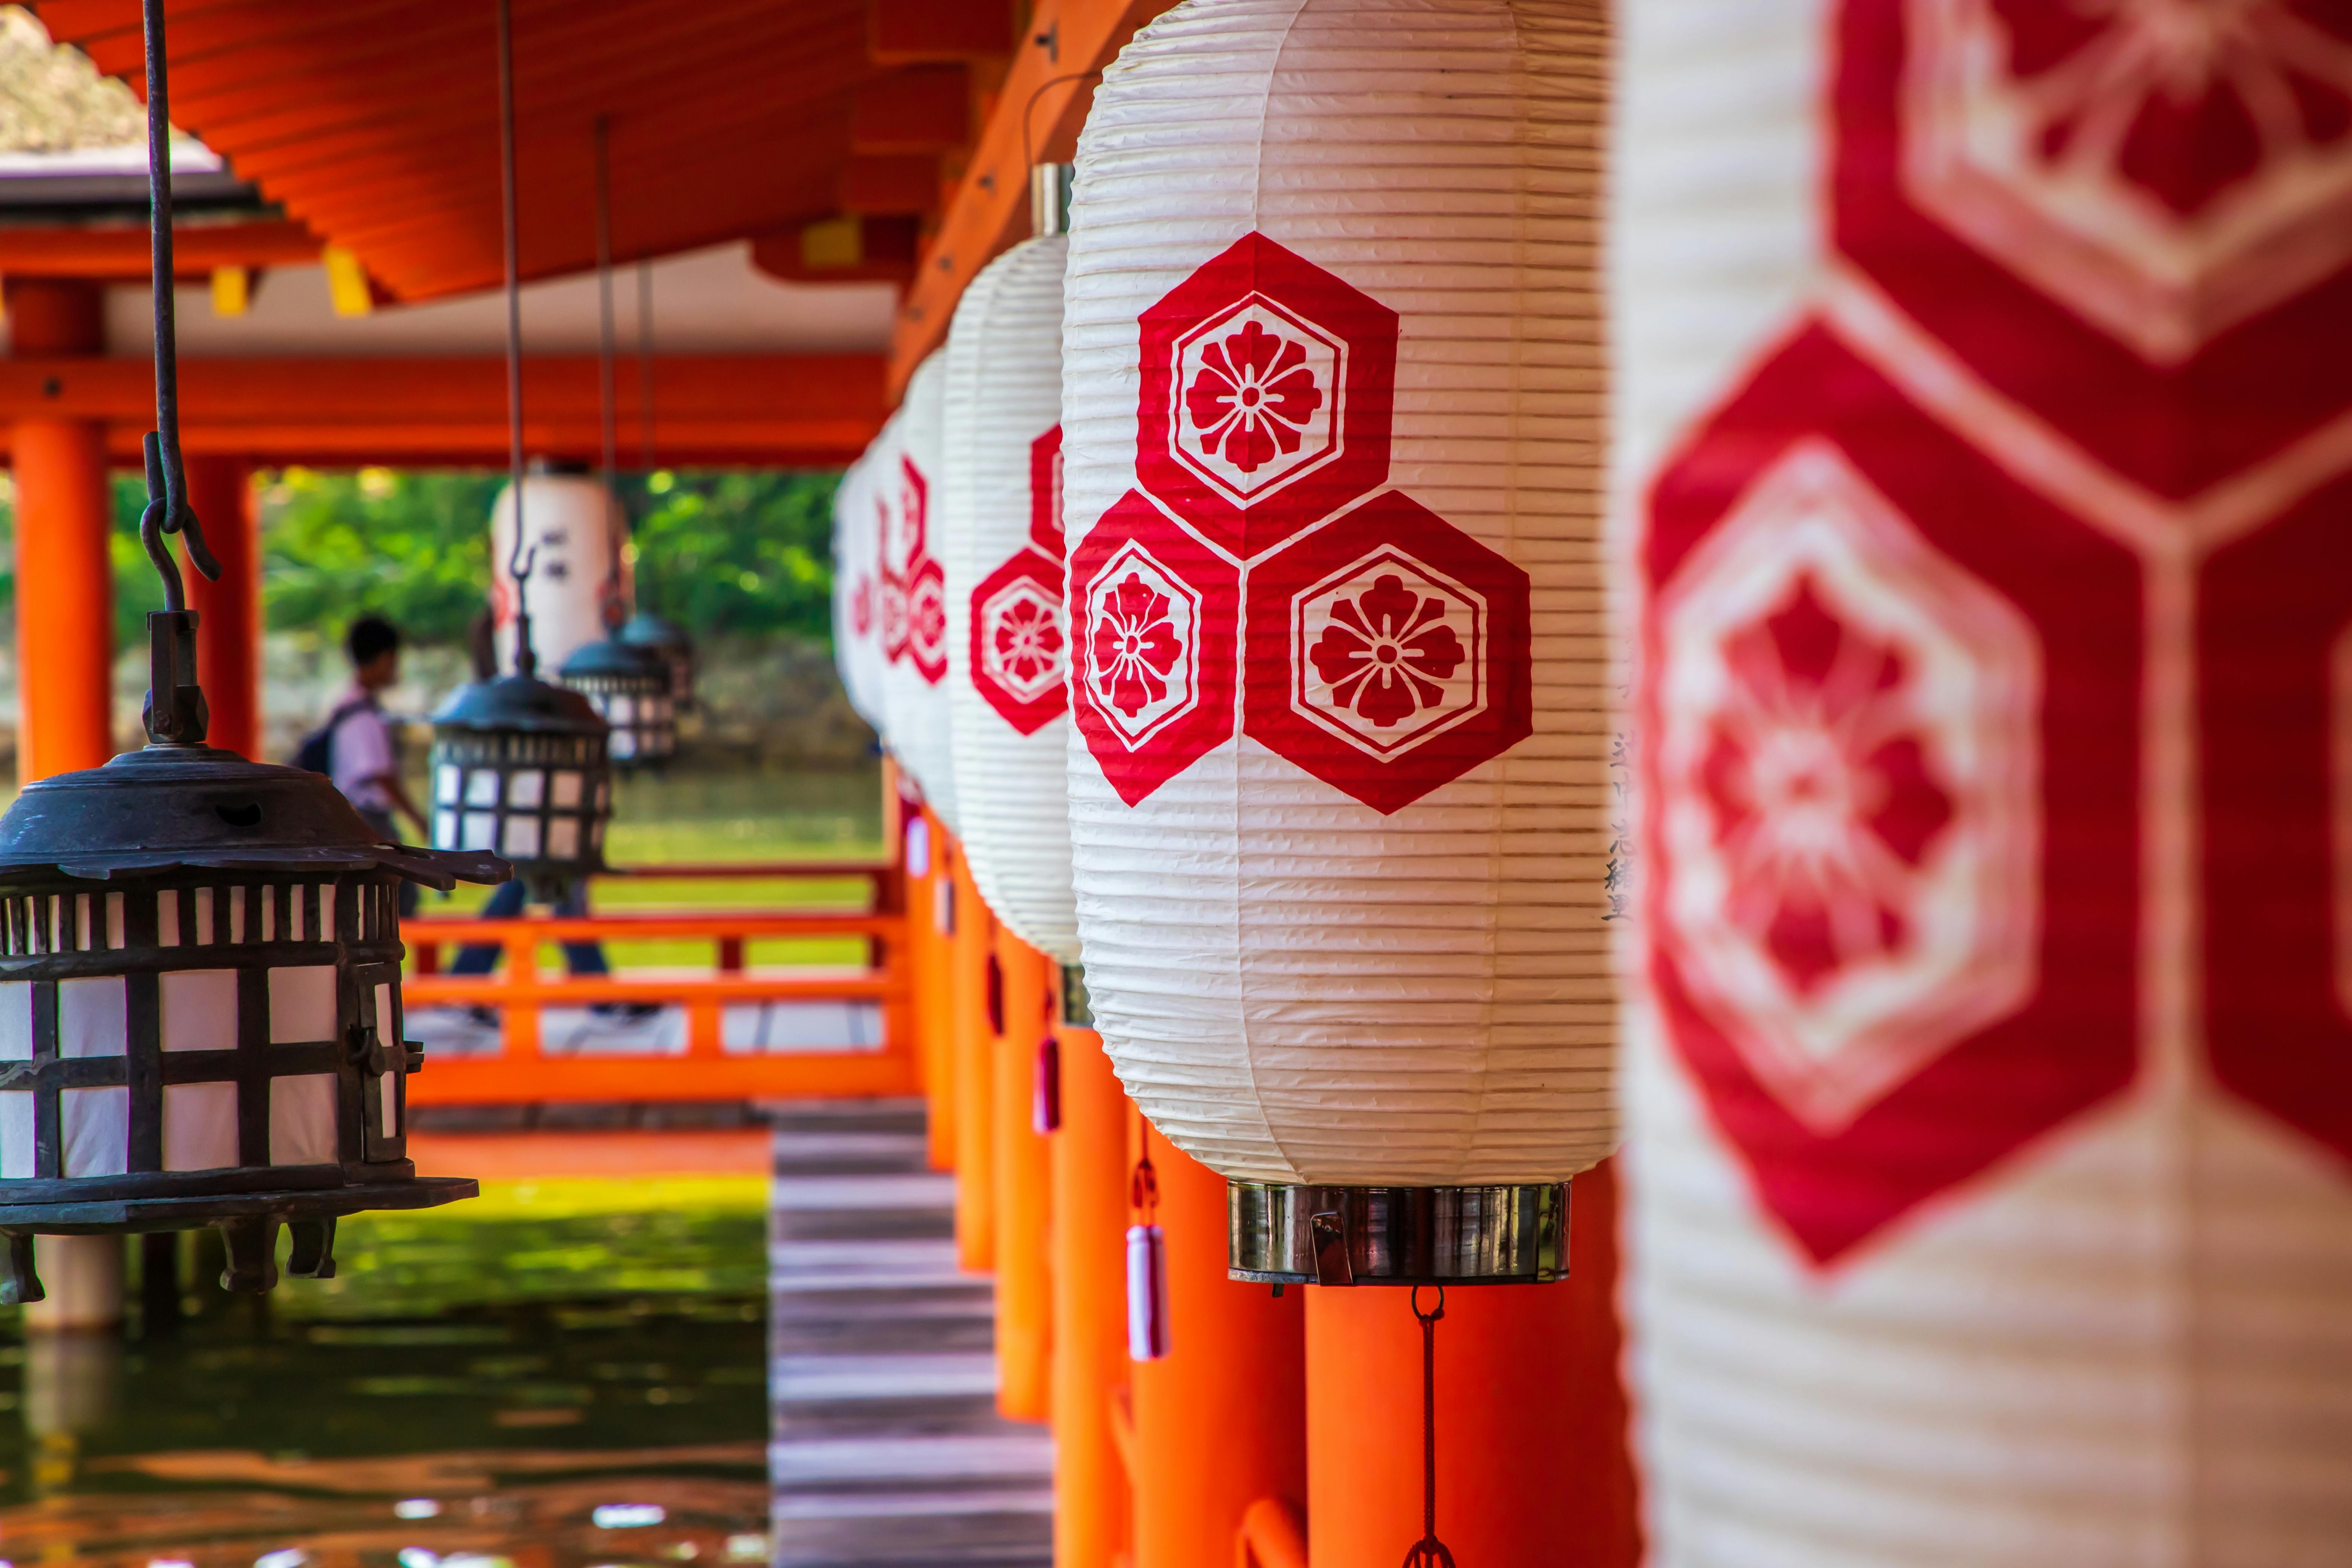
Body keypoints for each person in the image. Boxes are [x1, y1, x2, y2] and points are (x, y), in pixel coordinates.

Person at [328, 616, 429, 915]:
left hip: (354, 814)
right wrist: (417, 818)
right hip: (369, 817)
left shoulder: (348, 706)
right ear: (385, 658)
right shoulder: (364, 715)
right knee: (401, 899)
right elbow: (381, 775)